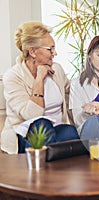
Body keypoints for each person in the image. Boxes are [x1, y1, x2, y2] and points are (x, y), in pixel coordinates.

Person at [1, 21, 80, 154]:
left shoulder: (56, 69)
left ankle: (51, 168)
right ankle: (44, 170)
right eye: (50, 49)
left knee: (70, 131)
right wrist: (39, 79)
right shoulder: (13, 76)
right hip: (25, 135)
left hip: (57, 130)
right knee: (42, 125)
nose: (55, 53)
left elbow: (72, 92)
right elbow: (32, 115)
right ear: (32, 51)